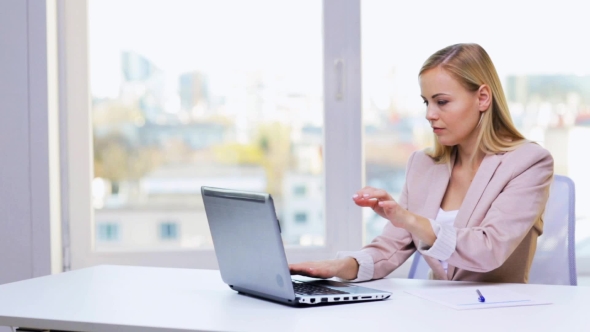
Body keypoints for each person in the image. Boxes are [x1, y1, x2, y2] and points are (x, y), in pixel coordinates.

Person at [289, 43, 554, 283]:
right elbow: (390, 248)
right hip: (436, 312)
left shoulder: (528, 163)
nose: (429, 114)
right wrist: (339, 266)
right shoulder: (423, 164)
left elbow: (489, 250)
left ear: (483, 98)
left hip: (500, 314)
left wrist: (407, 219)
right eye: (426, 102)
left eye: (442, 102)